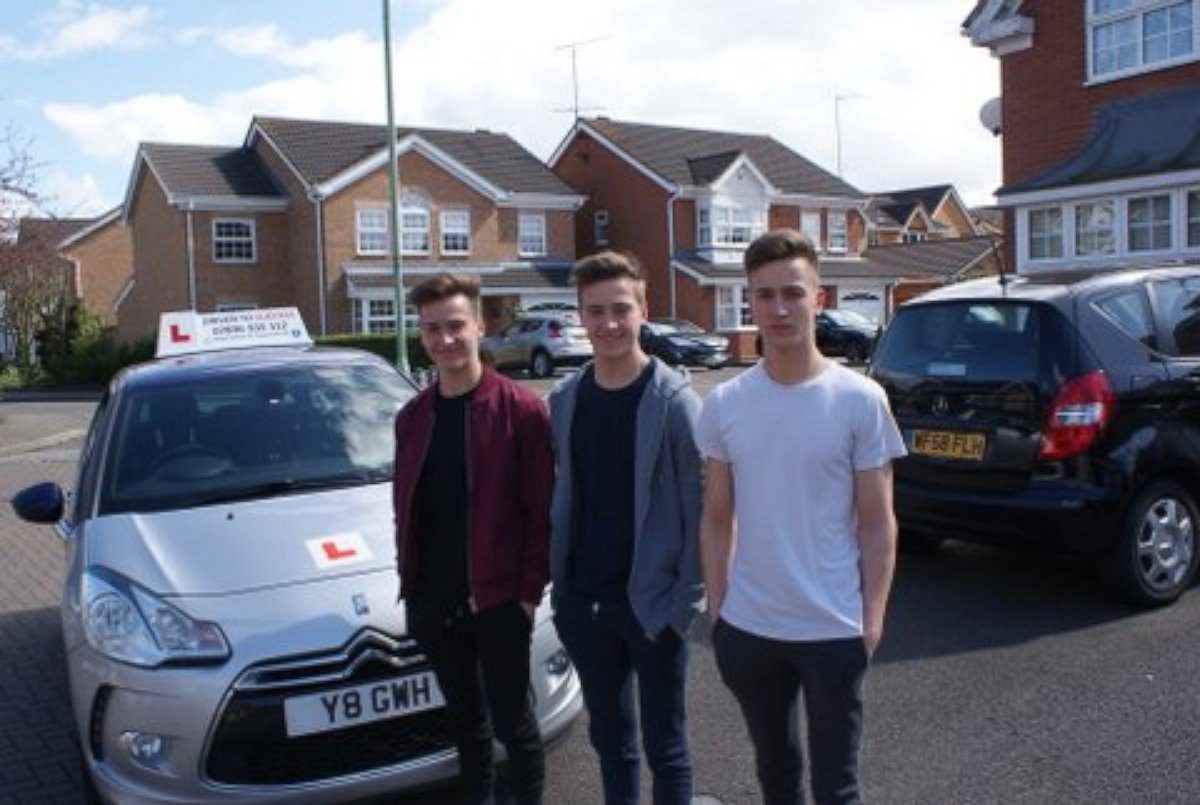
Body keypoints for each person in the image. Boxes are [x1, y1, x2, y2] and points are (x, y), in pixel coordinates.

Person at [697, 229, 906, 805]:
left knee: (837, 788)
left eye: (792, 292)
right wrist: (719, 612)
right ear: (750, 301)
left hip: (833, 630)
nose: (779, 308)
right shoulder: (726, 405)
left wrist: (871, 620)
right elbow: (717, 517)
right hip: (750, 629)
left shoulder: (860, 400)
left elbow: (877, 521)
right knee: (776, 779)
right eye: (764, 295)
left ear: (819, 298)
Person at [547, 251, 704, 805]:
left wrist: (684, 609)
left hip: (652, 608)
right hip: (585, 604)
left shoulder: (676, 404)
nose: (609, 323)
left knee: (667, 748)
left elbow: (700, 511)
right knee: (611, 743)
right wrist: (562, 596)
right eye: (596, 311)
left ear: (643, 309)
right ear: (580, 317)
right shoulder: (565, 399)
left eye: (620, 308)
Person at [392, 272, 553, 805]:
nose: (445, 340)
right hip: (433, 603)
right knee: (466, 724)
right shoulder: (413, 418)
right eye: (432, 329)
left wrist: (528, 596)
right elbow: (408, 510)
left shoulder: (522, 411)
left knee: (515, 725)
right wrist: (413, 591)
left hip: (499, 601)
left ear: (480, 325)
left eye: (456, 326)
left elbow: (540, 512)